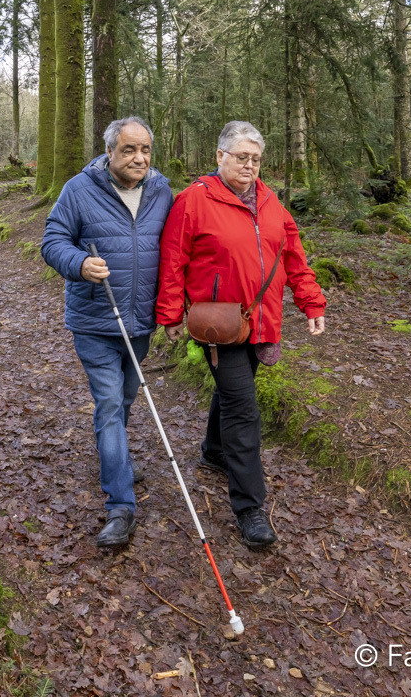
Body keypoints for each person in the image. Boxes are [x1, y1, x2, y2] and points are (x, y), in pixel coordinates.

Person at [157, 120, 326, 549]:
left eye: (255, 159)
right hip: (218, 324)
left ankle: (214, 453)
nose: (249, 166)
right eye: (241, 157)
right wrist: (170, 315)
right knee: (244, 408)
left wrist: (311, 302)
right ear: (220, 157)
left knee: (237, 391)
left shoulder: (271, 202)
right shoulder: (194, 201)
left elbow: (293, 258)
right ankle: (249, 506)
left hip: (261, 321)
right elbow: (173, 260)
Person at [41, 117, 173, 547]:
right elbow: (53, 240)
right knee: (111, 403)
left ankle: (114, 457)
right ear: (110, 151)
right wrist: (78, 264)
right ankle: (121, 505)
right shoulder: (79, 190)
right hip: (95, 321)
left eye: (146, 150)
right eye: (130, 150)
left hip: (140, 321)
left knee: (127, 397)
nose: (139, 158)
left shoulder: (161, 190)